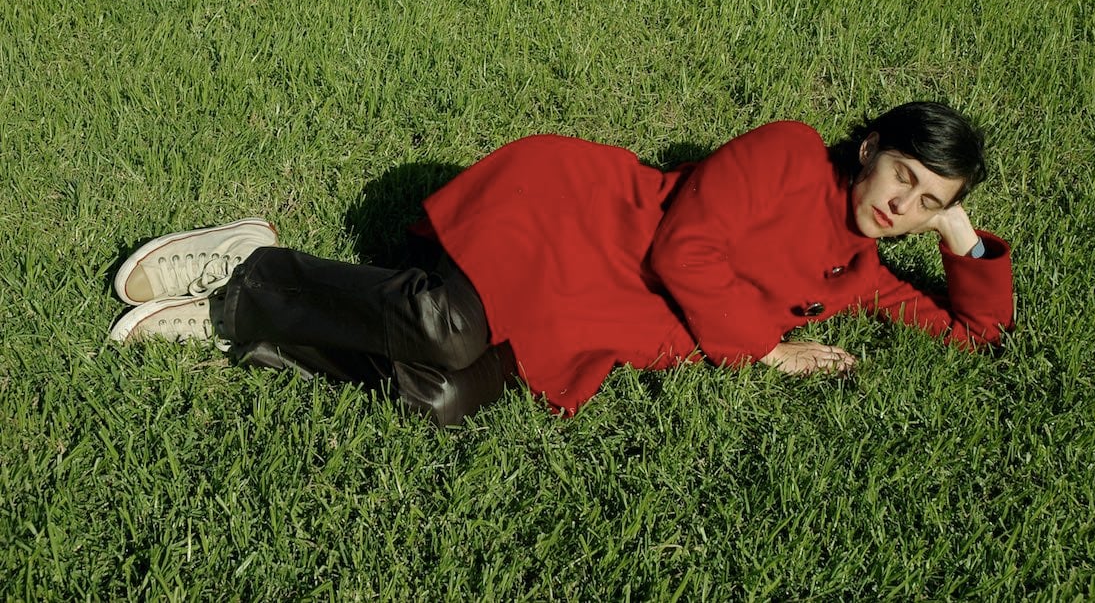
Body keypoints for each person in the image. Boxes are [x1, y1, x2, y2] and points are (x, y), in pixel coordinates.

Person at [109, 102, 1015, 425]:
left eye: (928, 200)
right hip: (580, 225)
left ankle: (256, 316)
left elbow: (976, 333)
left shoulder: (865, 273)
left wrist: (963, 243)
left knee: (442, 395)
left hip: (598, 314)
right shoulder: (784, 152)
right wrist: (765, 350)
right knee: (444, 323)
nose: (903, 204)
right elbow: (682, 247)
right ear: (867, 149)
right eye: (902, 175)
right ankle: (251, 280)